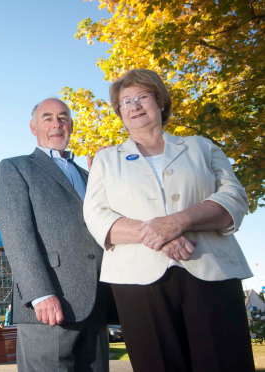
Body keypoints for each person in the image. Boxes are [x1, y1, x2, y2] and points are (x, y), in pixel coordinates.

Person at [83, 68, 255, 372]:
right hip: (137, 282)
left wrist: (180, 221)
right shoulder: (106, 160)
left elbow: (235, 199)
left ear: (160, 101)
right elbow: (97, 217)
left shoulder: (202, 147)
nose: (134, 105)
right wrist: (158, 232)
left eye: (142, 97)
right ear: (119, 112)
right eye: (125, 101)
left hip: (211, 272)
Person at [0, 98, 109, 372]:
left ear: (70, 126)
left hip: (97, 303)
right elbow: (17, 236)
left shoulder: (90, 174)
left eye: (63, 117)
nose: (56, 123)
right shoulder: (16, 167)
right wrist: (39, 294)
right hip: (49, 304)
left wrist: (107, 181)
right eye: (47, 118)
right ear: (33, 127)